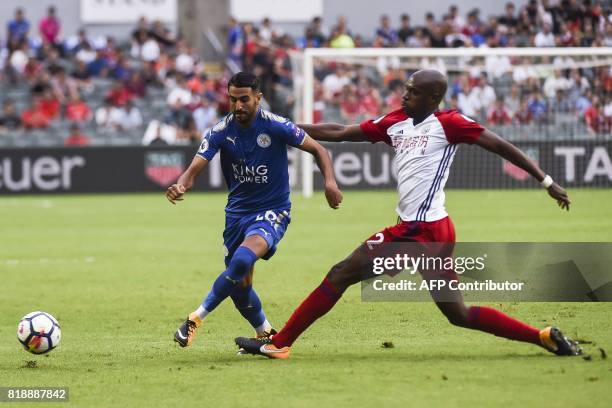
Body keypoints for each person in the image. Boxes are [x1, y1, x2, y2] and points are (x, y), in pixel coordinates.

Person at [235, 69, 581, 359]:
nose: (404, 98)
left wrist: (546, 180)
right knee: (458, 313)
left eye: (413, 93)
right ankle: (544, 336)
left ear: (433, 99)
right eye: (405, 91)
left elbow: (502, 146)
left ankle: (280, 344)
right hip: (426, 232)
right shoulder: (396, 122)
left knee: (340, 273)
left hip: (424, 232)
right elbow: (342, 132)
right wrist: (286, 128)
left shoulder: (451, 124)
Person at [168, 72, 342, 347]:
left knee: (241, 261)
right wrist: (181, 185)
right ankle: (267, 334)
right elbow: (194, 169)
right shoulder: (220, 131)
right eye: (233, 99)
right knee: (239, 286)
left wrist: (329, 182)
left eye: (244, 99)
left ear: (258, 98)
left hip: (273, 211)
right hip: (236, 215)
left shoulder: (277, 126)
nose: (238, 106)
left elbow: (319, 149)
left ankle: (195, 318)